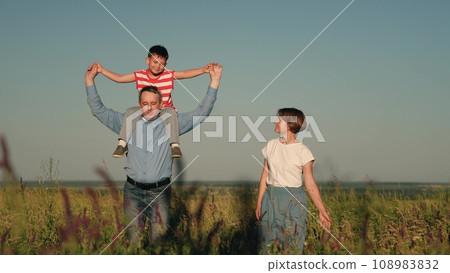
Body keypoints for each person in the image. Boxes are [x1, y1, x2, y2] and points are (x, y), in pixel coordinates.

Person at [85, 62, 223, 243]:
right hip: (132, 191)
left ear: (161, 104)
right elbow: (99, 110)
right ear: (139, 104)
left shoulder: (171, 123)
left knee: (158, 243)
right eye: (145, 103)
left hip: (160, 192)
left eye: (153, 103)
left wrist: (214, 81)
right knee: (133, 243)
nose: (149, 107)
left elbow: (201, 112)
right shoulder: (126, 122)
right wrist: (89, 80)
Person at [95, 45, 214, 158]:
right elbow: (119, 78)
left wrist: (203, 70)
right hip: (146, 110)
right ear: (148, 60)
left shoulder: (168, 75)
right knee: (130, 111)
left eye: (162, 64)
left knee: (171, 112)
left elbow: (185, 74)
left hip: (164, 111)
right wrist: (101, 70)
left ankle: (175, 145)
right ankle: (122, 144)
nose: (158, 66)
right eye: (155, 62)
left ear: (166, 64)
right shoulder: (140, 75)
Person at [255, 108, 331, 254]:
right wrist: (259, 202)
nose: (275, 121)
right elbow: (265, 175)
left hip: (294, 200)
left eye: (280, 120)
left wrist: (321, 210)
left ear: (289, 125)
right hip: (270, 198)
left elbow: (310, 184)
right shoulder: (271, 145)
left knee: (293, 243)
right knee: (267, 245)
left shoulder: (303, 151)